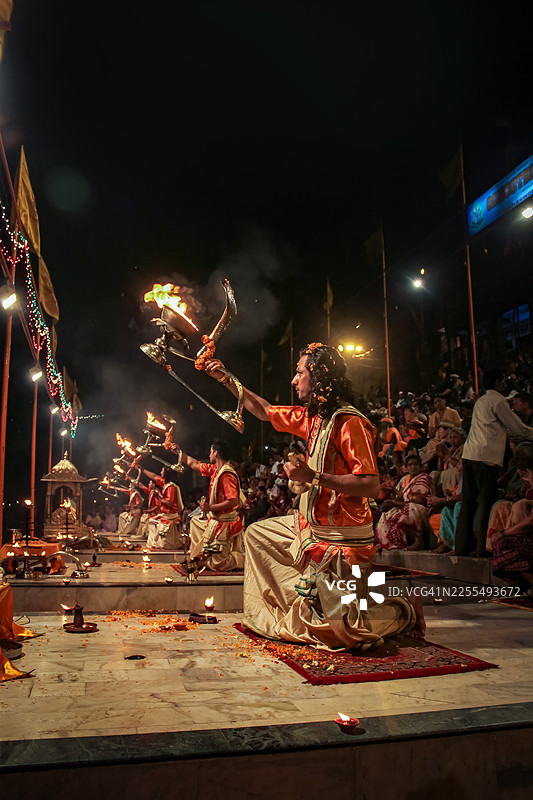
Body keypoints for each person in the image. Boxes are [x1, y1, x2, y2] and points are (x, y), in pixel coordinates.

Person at [205, 343, 424, 650]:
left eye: (299, 372)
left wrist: (315, 477)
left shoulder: (350, 423)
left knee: (343, 633)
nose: (294, 381)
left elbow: (370, 484)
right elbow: (265, 411)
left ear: (319, 377)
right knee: (256, 534)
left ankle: (403, 609)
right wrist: (226, 378)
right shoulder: (312, 418)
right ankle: (309, 601)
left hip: (344, 539)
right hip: (312, 528)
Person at [455, 368, 533, 556]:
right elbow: (517, 428)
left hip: (470, 454)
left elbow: (507, 430)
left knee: (468, 502)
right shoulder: (498, 401)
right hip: (485, 457)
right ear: (497, 382)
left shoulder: (481, 401)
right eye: (503, 380)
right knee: (484, 501)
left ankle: (461, 546)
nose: (505, 384)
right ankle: (481, 548)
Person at [171, 439, 245, 572]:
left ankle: (246, 559)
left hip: (225, 523)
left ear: (216, 453)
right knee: (195, 522)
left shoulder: (226, 474)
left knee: (218, 565)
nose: (208, 454)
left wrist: (210, 508)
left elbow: (233, 501)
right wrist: (179, 452)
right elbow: (193, 463)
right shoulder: (214, 469)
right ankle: (201, 556)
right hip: (215, 519)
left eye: (210, 452)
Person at [375, 454, 434, 551]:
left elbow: (419, 500)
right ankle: (385, 542)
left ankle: (419, 541)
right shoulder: (408, 480)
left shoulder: (424, 478)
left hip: (423, 509)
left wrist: (395, 503)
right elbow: (400, 497)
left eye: (415, 464)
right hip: (409, 506)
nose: (413, 467)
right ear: (406, 468)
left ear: (420, 466)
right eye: (410, 465)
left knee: (410, 507)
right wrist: (392, 498)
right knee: (387, 513)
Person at [141, 467, 183, 549]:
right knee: (149, 521)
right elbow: (153, 476)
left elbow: (170, 504)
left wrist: (159, 498)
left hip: (170, 516)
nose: (160, 472)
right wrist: (142, 469)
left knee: (150, 521)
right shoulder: (165, 483)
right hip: (165, 515)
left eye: (162, 471)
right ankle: (153, 542)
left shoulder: (171, 487)